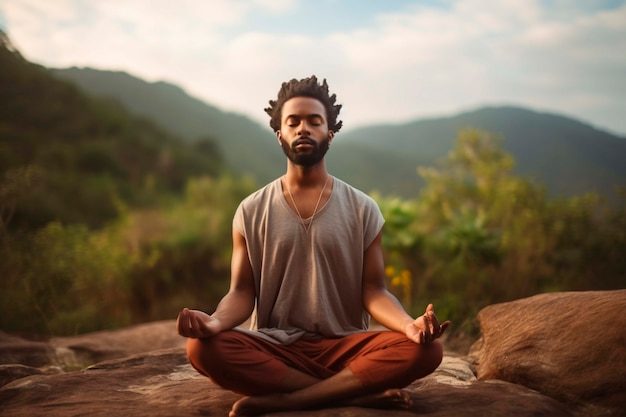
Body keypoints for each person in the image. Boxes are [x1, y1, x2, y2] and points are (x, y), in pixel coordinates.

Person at [177, 75, 450, 417]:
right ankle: (349, 393)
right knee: (203, 350)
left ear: (330, 133)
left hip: (345, 346)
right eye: (293, 122)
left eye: (314, 121)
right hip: (275, 346)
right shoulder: (250, 210)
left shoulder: (363, 209)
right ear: (280, 134)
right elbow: (242, 293)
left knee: (426, 352)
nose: (303, 128)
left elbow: (374, 291)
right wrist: (215, 322)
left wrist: (409, 325)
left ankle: (291, 400)